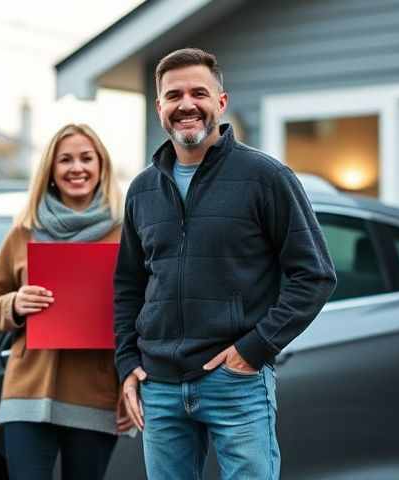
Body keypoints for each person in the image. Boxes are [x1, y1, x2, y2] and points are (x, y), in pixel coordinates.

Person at [114, 48, 337, 479]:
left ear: (221, 101)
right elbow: (128, 284)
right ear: (159, 107)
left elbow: (315, 275)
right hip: (158, 387)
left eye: (199, 92)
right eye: (173, 95)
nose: (186, 105)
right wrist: (127, 363)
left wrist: (253, 350)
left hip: (235, 383)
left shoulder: (266, 178)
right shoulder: (142, 190)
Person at [0, 123, 131, 480]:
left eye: (86, 158)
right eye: (66, 160)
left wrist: (130, 382)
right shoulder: (24, 231)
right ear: (51, 171)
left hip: (94, 393)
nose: (77, 168)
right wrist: (14, 303)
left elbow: (142, 315)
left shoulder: (126, 233)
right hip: (27, 395)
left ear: (102, 166)